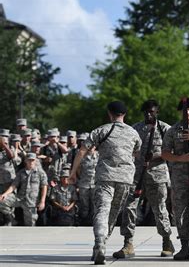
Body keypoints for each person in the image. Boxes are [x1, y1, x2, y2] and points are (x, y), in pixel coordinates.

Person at [69, 101, 141, 265]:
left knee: (102, 210)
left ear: (110, 113)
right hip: (125, 179)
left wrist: (72, 173)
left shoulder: (101, 130)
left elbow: (82, 150)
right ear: (124, 114)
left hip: (105, 177)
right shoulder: (133, 133)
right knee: (113, 213)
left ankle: (100, 242)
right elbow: (137, 154)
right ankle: (101, 244)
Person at [113, 99, 174, 259]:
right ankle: (128, 243)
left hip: (157, 175)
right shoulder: (135, 129)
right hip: (137, 175)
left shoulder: (165, 129)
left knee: (159, 209)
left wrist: (155, 156)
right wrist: (138, 155)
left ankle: (167, 241)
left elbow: (171, 151)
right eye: (146, 112)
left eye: (152, 112)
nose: (148, 114)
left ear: (157, 112)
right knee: (129, 207)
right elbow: (129, 149)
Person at [161, 98, 189, 260]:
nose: (187, 112)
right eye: (184, 110)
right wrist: (179, 159)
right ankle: (184, 246)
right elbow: (165, 153)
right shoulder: (173, 130)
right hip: (180, 177)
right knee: (181, 212)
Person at [0, 153, 47, 226]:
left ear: (35, 161)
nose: (31, 162)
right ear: (25, 161)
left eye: (33, 160)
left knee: (30, 224)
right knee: (1, 201)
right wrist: (5, 194)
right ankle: (11, 219)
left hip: (31, 202)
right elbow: (14, 185)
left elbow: (44, 187)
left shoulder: (41, 173)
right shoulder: (21, 172)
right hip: (20, 198)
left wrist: (42, 201)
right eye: (29, 160)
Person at [76, 145, 98, 225]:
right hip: (84, 184)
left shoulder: (99, 155)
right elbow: (78, 169)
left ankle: (93, 222)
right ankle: (84, 222)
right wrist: (82, 178)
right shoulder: (82, 156)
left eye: (93, 145)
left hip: (95, 184)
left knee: (94, 204)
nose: (91, 147)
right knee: (84, 205)